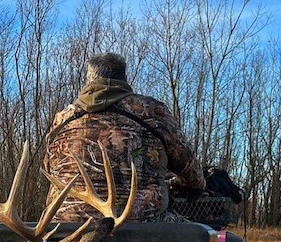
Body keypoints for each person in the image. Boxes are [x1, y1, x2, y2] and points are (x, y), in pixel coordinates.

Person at [43, 52, 205, 222]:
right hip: (142, 226)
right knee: (204, 233)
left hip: (66, 227)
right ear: (124, 78)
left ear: (88, 79)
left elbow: (48, 168)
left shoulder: (63, 118)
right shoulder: (153, 111)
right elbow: (191, 171)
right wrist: (192, 186)